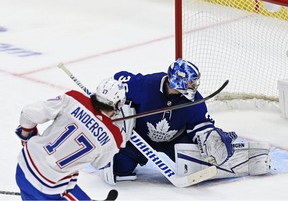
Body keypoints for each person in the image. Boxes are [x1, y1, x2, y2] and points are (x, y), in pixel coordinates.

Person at [101, 58, 271, 185]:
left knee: (199, 168)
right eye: (190, 82)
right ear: (178, 80)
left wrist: (211, 137)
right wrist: (106, 98)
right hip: (140, 138)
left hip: (175, 141)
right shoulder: (147, 85)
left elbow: (201, 124)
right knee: (120, 167)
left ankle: (239, 159)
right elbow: (120, 78)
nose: (193, 86)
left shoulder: (194, 100)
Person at [15, 77, 127, 200]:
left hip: (24, 166)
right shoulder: (114, 137)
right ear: (118, 104)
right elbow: (99, 163)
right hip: (49, 186)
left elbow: (29, 113)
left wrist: (26, 136)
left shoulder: (73, 98)